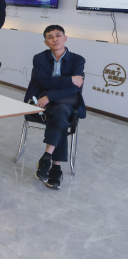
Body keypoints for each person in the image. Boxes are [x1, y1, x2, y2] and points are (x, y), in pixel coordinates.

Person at [26, 25, 85, 189]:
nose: (55, 39)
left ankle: (47, 157)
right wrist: (70, 79)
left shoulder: (78, 60)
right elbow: (44, 82)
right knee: (60, 116)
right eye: (50, 37)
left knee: (60, 111)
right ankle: (56, 167)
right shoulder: (39, 58)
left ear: (65, 38)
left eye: (58, 35)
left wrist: (49, 96)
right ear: (46, 42)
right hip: (41, 102)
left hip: (64, 101)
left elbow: (75, 88)